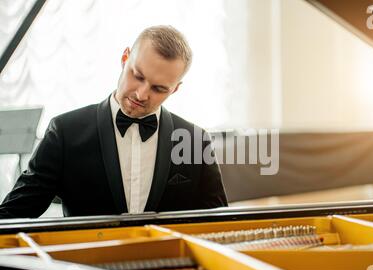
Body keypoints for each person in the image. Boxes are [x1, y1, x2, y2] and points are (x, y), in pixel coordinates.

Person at [0, 25, 228, 219]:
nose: (141, 94)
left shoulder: (196, 141)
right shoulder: (64, 132)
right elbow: (14, 214)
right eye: (138, 76)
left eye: (159, 89)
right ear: (125, 58)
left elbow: (219, 224)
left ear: (175, 89)